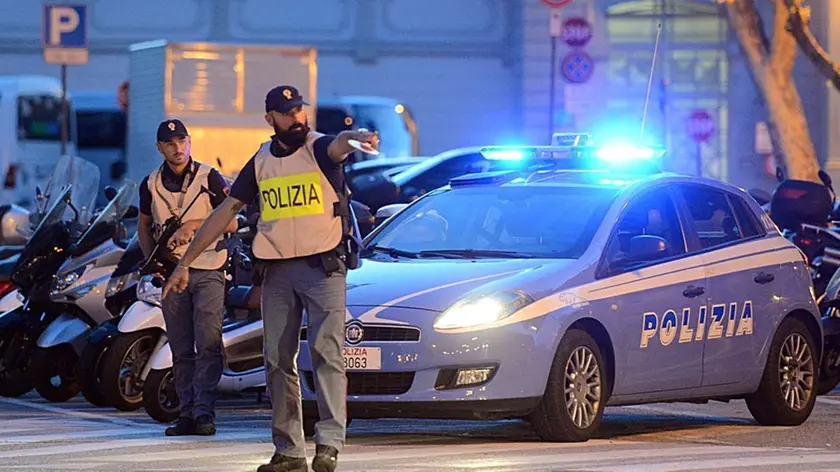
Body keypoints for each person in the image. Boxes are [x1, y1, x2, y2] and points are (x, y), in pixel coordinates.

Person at [162, 85, 377, 472]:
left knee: (327, 354)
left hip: (323, 268)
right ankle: (289, 451)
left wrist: (356, 138)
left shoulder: (318, 148)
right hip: (276, 271)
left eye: (299, 110)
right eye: (287, 112)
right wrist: (184, 264)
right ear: (270, 119)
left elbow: (339, 144)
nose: (296, 117)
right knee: (277, 360)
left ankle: (328, 443)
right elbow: (222, 213)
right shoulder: (261, 161)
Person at [137, 119, 239, 437]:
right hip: (171, 275)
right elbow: (143, 226)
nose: (177, 148)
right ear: (159, 148)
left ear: (190, 142)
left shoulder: (210, 177)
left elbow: (233, 224)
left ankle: (204, 413)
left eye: (182, 141)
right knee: (181, 348)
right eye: (169, 143)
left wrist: (194, 224)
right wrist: (150, 259)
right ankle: (186, 414)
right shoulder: (150, 183)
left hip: (209, 269)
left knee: (208, 344)